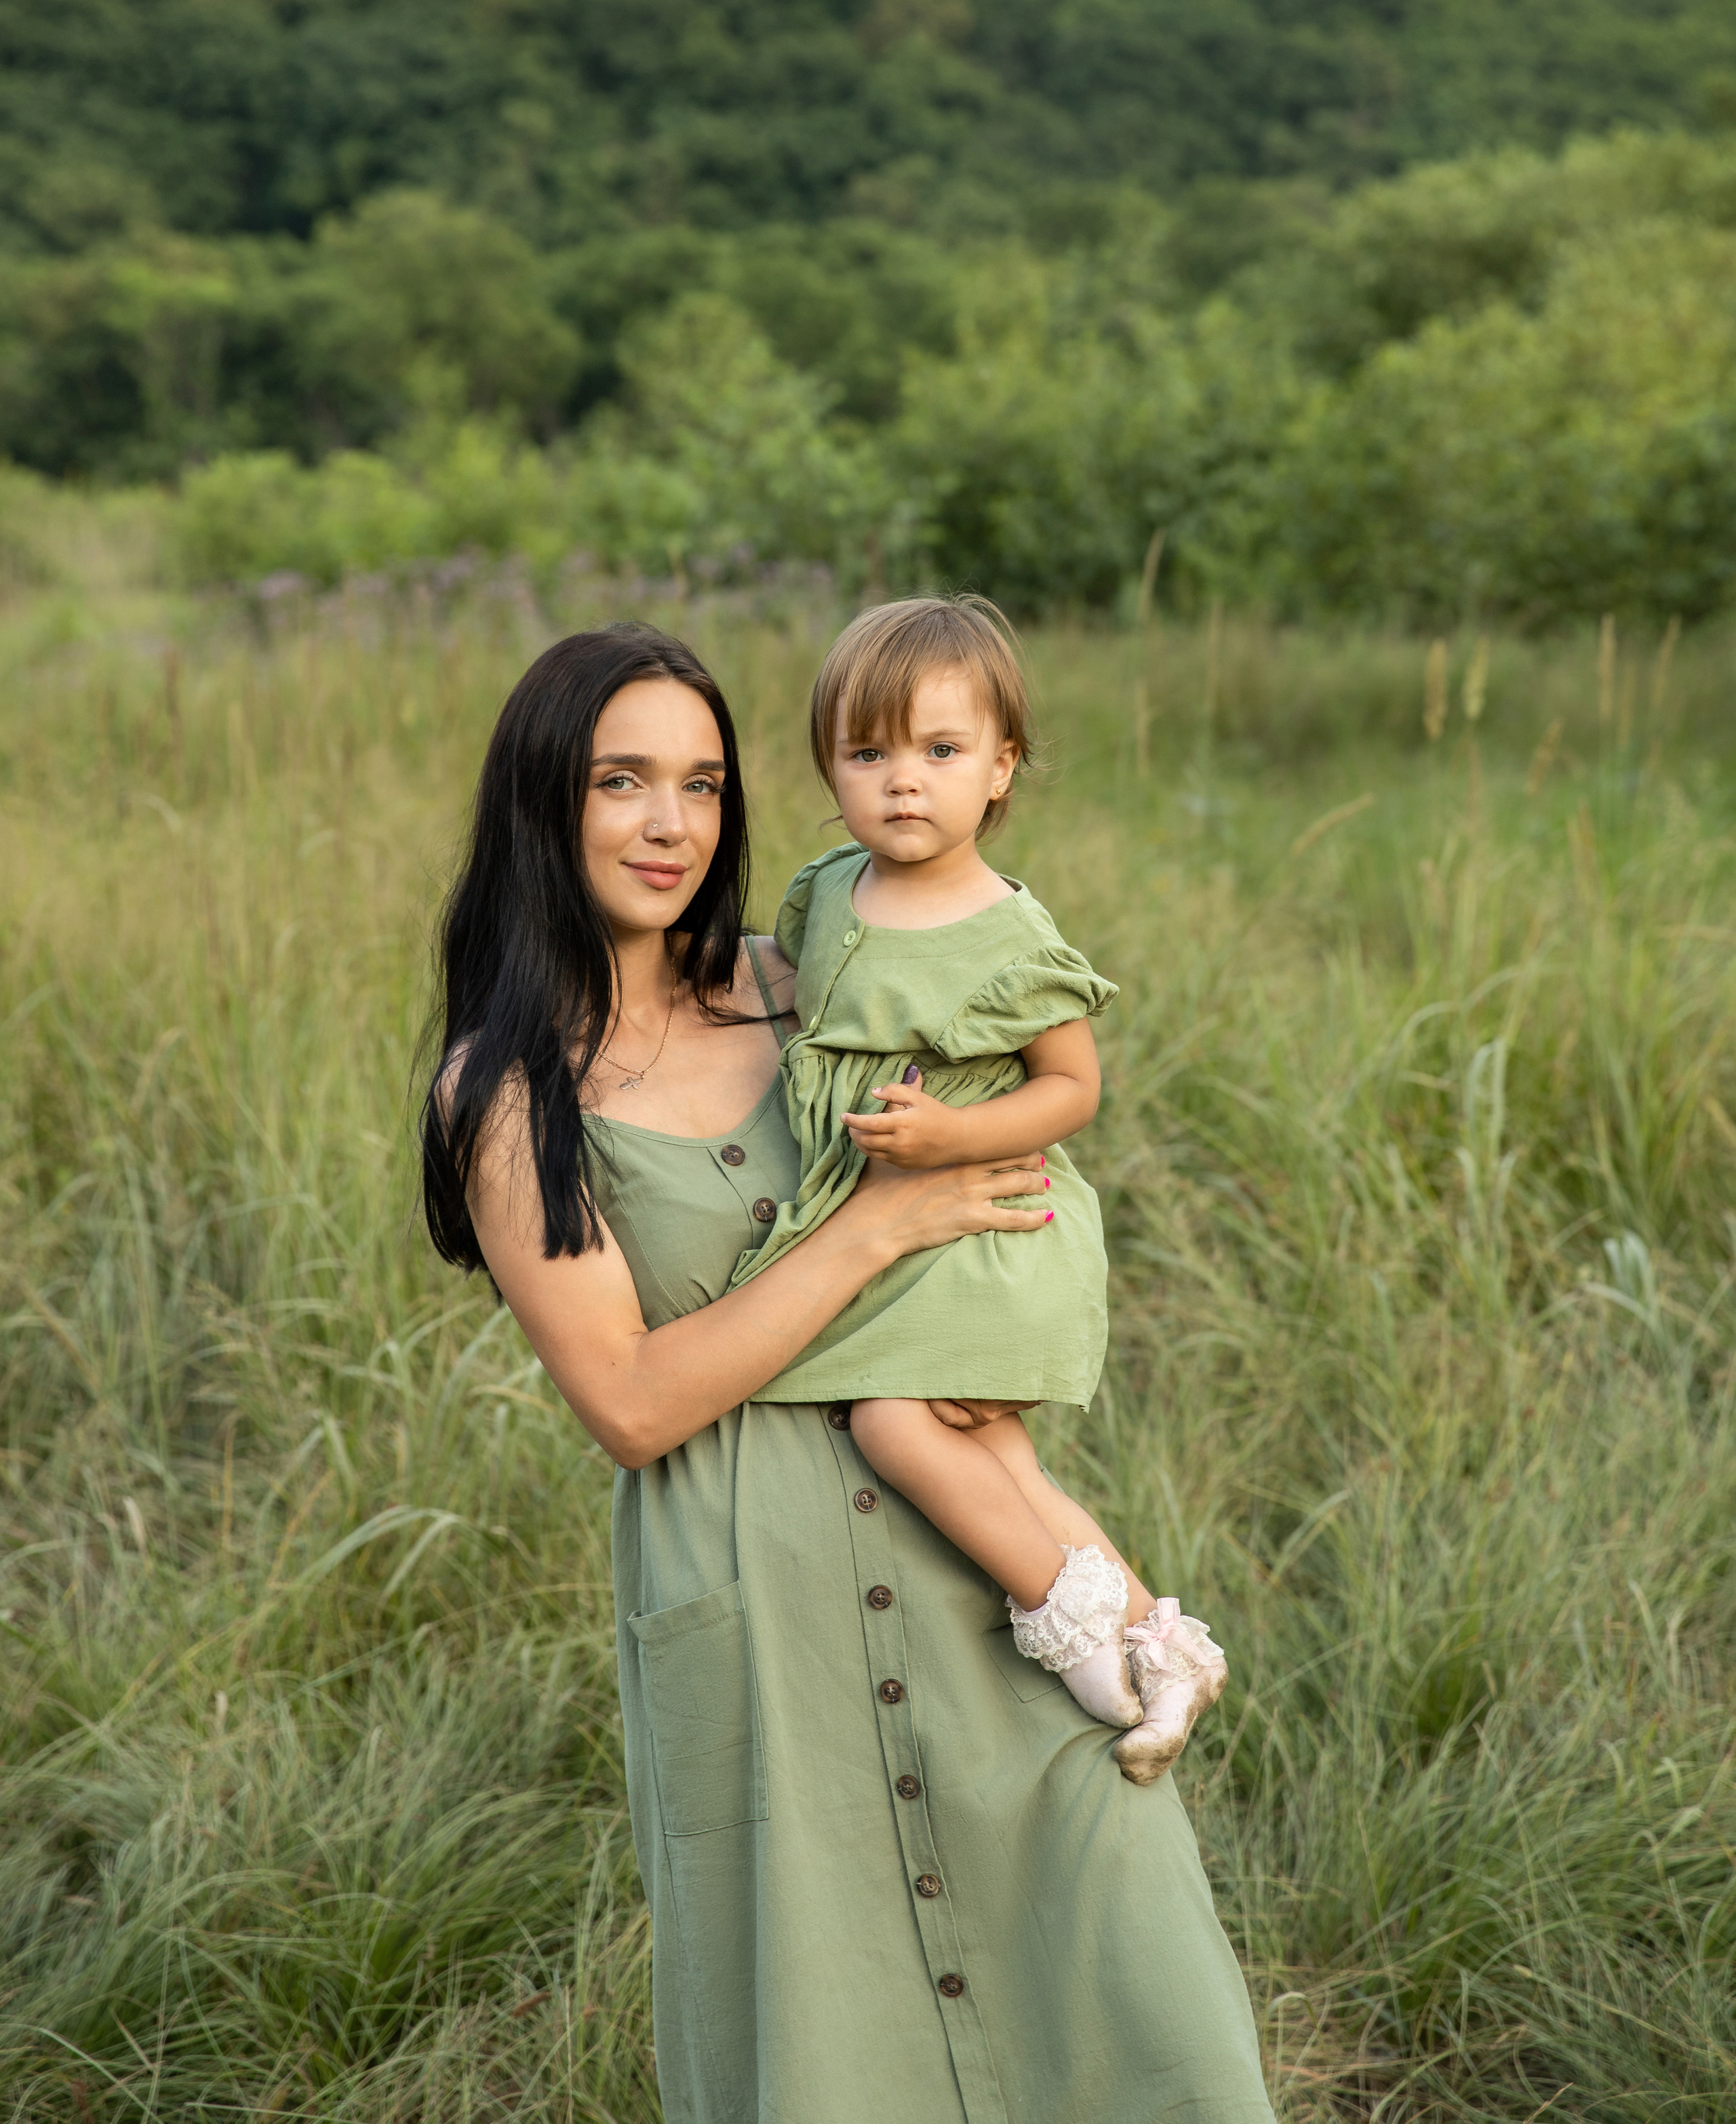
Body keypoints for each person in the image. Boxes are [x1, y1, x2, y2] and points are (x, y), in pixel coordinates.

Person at [421, 621, 1276, 2123]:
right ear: (543, 802)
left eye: (700, 782)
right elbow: (627, 1404)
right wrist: (876, 1228)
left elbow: (1019, 1111)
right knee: (834, 2039)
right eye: (621, 781)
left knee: (1124, 1957)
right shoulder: (506, 1089)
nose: (670, 823)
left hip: (966, 1559)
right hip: (759, 1612)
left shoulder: (803, 977)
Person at [727, 594, 1225, 1779]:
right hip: (886, 1218)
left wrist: (949, 1136)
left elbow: (1070, 1090)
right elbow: (794, 992)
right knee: (996, 1452)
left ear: (1001, 769)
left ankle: (1068, 1633)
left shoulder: (1008, 933)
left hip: (988, 1218)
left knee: (901, 1424)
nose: (905, 782)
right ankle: (1162, 1645)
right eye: (869, 752)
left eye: (942, 752)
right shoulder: (829, 889)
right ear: (829, 768)